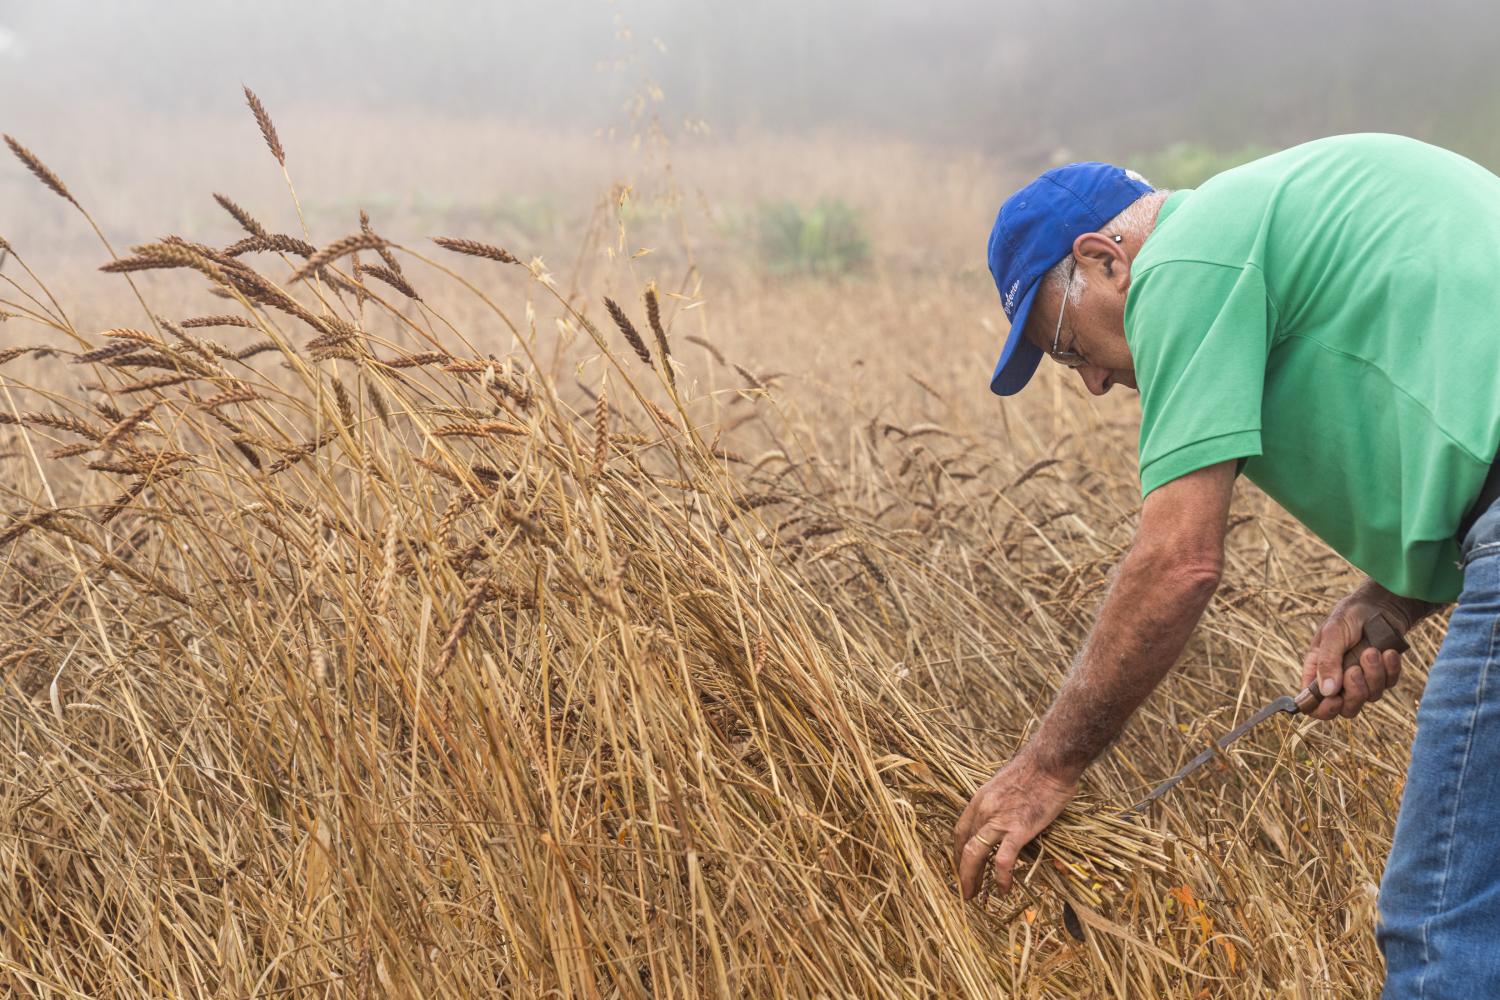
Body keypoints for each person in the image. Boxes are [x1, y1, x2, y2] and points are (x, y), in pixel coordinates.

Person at [953, 133, 1500, 996]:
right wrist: (1392, 600)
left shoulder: (1185, 262)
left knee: (1441, 922)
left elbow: (1178, 561)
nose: (1090, 384)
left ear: (1104, 260)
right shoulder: (1255, 227)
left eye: (1063, 345)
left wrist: (1045, 768)